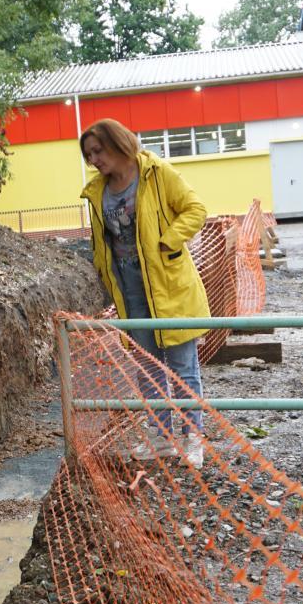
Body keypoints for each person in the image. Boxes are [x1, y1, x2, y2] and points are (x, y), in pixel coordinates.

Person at [78, 118, 211, 468]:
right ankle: (161, 437)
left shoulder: (156, 173)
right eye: (88, 154)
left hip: (168, 285)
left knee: (182, 365)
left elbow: (195, 209)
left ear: (118, 144)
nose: (93, 160)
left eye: (98, 151)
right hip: (129, 289)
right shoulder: (97, 191)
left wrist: (167, 242)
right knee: (147, 368)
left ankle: (192, 437)